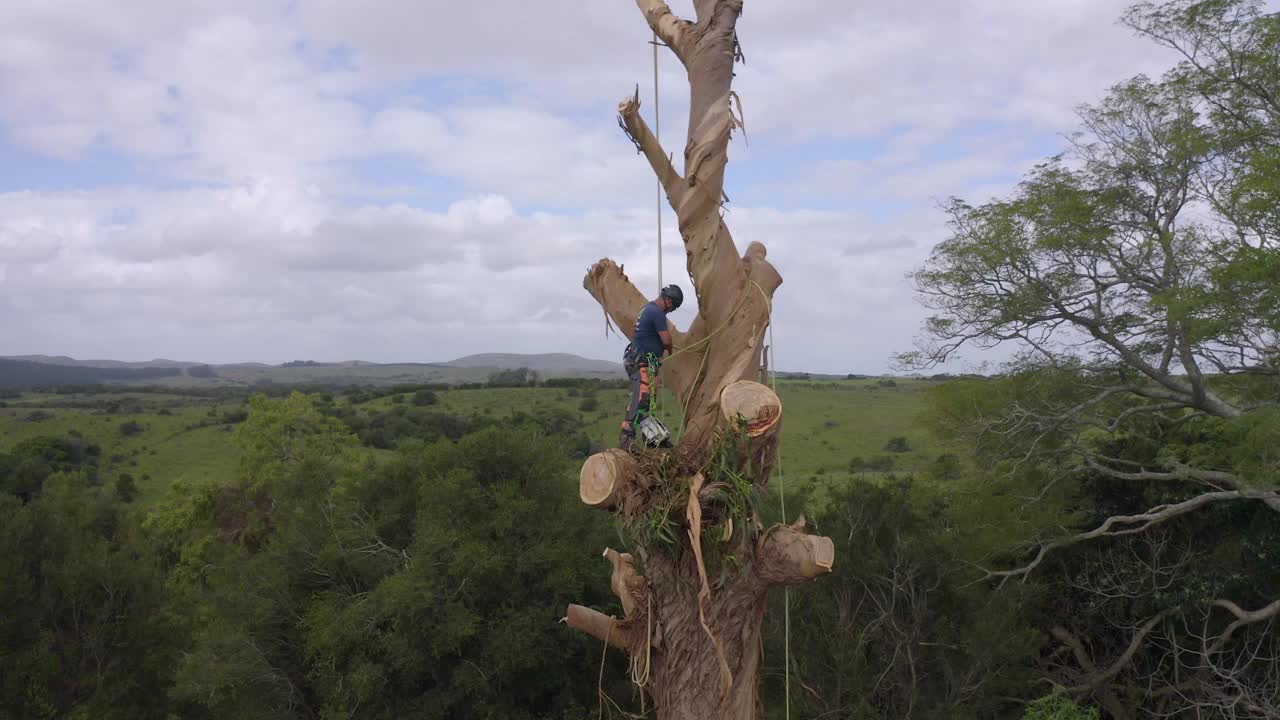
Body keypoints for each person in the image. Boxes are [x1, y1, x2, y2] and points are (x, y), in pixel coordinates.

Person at [619, 284, 683, 449]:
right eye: (673, 307)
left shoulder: (647, 309)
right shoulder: (657, 313)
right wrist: (667, 350)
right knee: (642, 398)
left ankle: (653, 438)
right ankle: (626, 437)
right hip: (639, 360)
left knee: (646, 400)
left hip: (639, 358)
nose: (671, 311)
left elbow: (637, 332)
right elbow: (666, 340)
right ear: (669, 301)